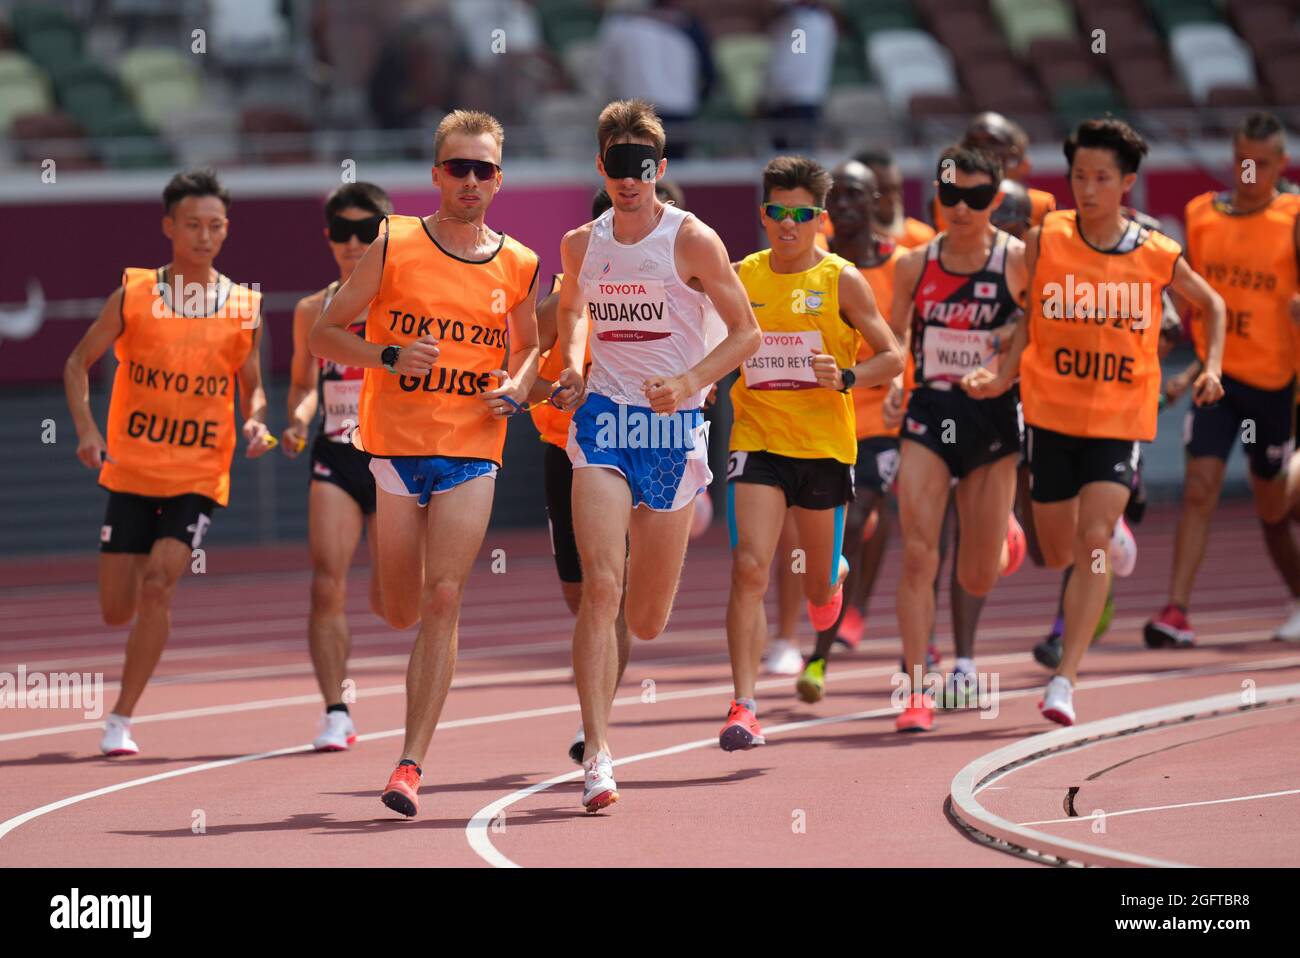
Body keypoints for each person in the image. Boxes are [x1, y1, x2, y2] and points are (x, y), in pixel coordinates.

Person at [310, 110, 541, 818]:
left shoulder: (519, 263)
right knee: (398, 606)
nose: (471, 180)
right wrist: (387, 355)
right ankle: (389, 583)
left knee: (444, 597)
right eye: (459, 167)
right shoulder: (393, 241)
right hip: (395, 448)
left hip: (473, 444)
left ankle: (409, 765)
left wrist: (519, 387)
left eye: (485, 169)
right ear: (437, 173)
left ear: (499, 180)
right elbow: (326, 330)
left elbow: (531, 349)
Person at [969, 118, 1226, 726]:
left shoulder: (1156, 252)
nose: (1088, 189)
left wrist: (1211, 366)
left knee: (1089, 545)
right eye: (1080, 176)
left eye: (1102, 178)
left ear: (1127, 183)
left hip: (1119, 419)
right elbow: (1030, 313)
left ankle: (1065, 680)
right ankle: (1109, 537)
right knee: (1056, 549)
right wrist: (1004, 372)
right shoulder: (1047, 235)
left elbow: (1210, 303)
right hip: (1051, 415)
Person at [554, 98, 760, 810]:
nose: (629, 178)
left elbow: (746, 334)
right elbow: (574, 317)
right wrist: (575, 370)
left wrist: (693, 380)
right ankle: (598, 755)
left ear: (661, 170)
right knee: (600, 588)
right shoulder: (581, 244)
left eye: (642, 166)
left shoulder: (693, 240)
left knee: (645, 619)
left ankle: (610, 711)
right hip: (605, 422)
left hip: (672, 432)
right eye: (617, 165)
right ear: (602, 167)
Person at [64, 169, 272, 756]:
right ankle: (127, 672)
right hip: (131, 469)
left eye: (214, 225)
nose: (204, 236)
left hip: (200, 473)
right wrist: (84, 429)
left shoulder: (243, 306)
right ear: (169, 227)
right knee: (115, 610)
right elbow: (78, 363)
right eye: (192, 225)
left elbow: (254, 387)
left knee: (159, 585)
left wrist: (256, 418)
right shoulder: (133, 295)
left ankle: (120, 719)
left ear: (226, 229)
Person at [724, 155, 902, 741]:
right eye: (778, 212)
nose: (788, 224)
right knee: (751, 566)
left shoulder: (841, 279)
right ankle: (744, 705)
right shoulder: (741, 275)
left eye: (801, 214)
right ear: (764, 214)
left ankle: (832, 583)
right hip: (757, 439)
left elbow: (892, 356)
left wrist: (845, 377)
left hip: (824, 446)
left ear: (820, 219)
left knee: (819, 586)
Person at [529, 181, 690, 764]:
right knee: (587, 594)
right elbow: (521, 364)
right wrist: (558, 389)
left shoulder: (675, 288)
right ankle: (595, 713)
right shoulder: (563, 295)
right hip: (569, 446)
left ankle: (593, 728)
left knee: (621, 597)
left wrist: (695, 386)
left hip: (647, 443)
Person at [1146, 112, 1300, 647]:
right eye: (1240, 161)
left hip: (1278, 387)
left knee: (1273, 509)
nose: (1249, 172)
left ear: (1282, 164)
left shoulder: (1295, 216)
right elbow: (1207, 306)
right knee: (1200, 489)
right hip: (1219, 381)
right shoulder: (1202, 216)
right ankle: (1176, 611)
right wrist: (1191, 370)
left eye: (1260, 163)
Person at [888, 146, 1028, 734]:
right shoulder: (914, 263)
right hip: (930, 412)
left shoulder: (1017, 260)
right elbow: (894, 334)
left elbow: (1037, 325)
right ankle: (916, 690)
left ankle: (1002, 539)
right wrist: (897, 379)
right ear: (937, 197)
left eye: (976, 198)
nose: (962, 208)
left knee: (976, 575)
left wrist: (1000, 367)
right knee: (920, 553)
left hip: (993, 418)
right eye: (951, 196)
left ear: (995, 199)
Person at [281, 182, 393, 751]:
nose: (354, 243)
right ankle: (335, 710)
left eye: (366, 231)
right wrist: (297, 421)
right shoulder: (311, 310)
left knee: (392, 597)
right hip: (336, 455)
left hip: (393, 454)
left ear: (387, 232)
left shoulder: (401, 300)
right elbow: (305, 386)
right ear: (329, 239)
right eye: (342, 233)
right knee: (327, 583)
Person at [791, 159, 906, 702]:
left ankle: (824, 651)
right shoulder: (815, 265)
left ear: (877, 201)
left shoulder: (899, 264)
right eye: (838, 198)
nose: (846, 207)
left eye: (858, 196)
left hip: (885, 417)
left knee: (864, 516)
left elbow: (905, 341)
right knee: (830, 535)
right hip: (824, 420)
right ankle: (829, 630)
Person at [931, 113, 1058, 232]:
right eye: (972, 141)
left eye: (992, 141)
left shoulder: (1040, 204)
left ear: (1013, 153)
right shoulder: (943, 203)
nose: (980, 147)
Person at [856, 148, 936, 250]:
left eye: (897, 189)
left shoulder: (922, 238)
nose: (893, 198)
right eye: (883, 190)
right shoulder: (836, 237)